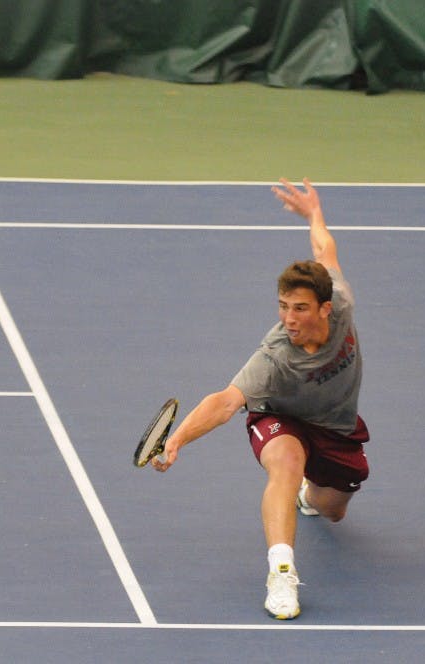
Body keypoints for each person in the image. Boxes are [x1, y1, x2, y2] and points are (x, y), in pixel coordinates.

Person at [151, 177, 370, 620]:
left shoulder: (341, 301)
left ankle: (310, 498)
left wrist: (314, 214)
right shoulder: (274, 357)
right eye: (283, 306)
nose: (289, 318)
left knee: (333, 510)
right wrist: (178, 440)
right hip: (279, 418)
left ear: (325, 308)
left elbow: (324, 249)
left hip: (335, 427)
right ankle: (282, 574)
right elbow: (226, 401)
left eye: (300, 308)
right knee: (286, 465)